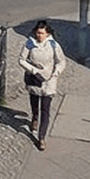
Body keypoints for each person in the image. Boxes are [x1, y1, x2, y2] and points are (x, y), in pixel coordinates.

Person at [22, 20, 66, 150]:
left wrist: (56, 72)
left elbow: (61, 61)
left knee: (45, 109)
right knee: (34, 103)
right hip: (34, 79)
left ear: (47, 34)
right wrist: (33, 70)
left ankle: (41, 138)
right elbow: (21, 59)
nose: (39, 35)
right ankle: (34, 118)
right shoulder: (30, 44)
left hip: (48, 80)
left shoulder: (54, 45)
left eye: (41, 33)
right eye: (38, 33)